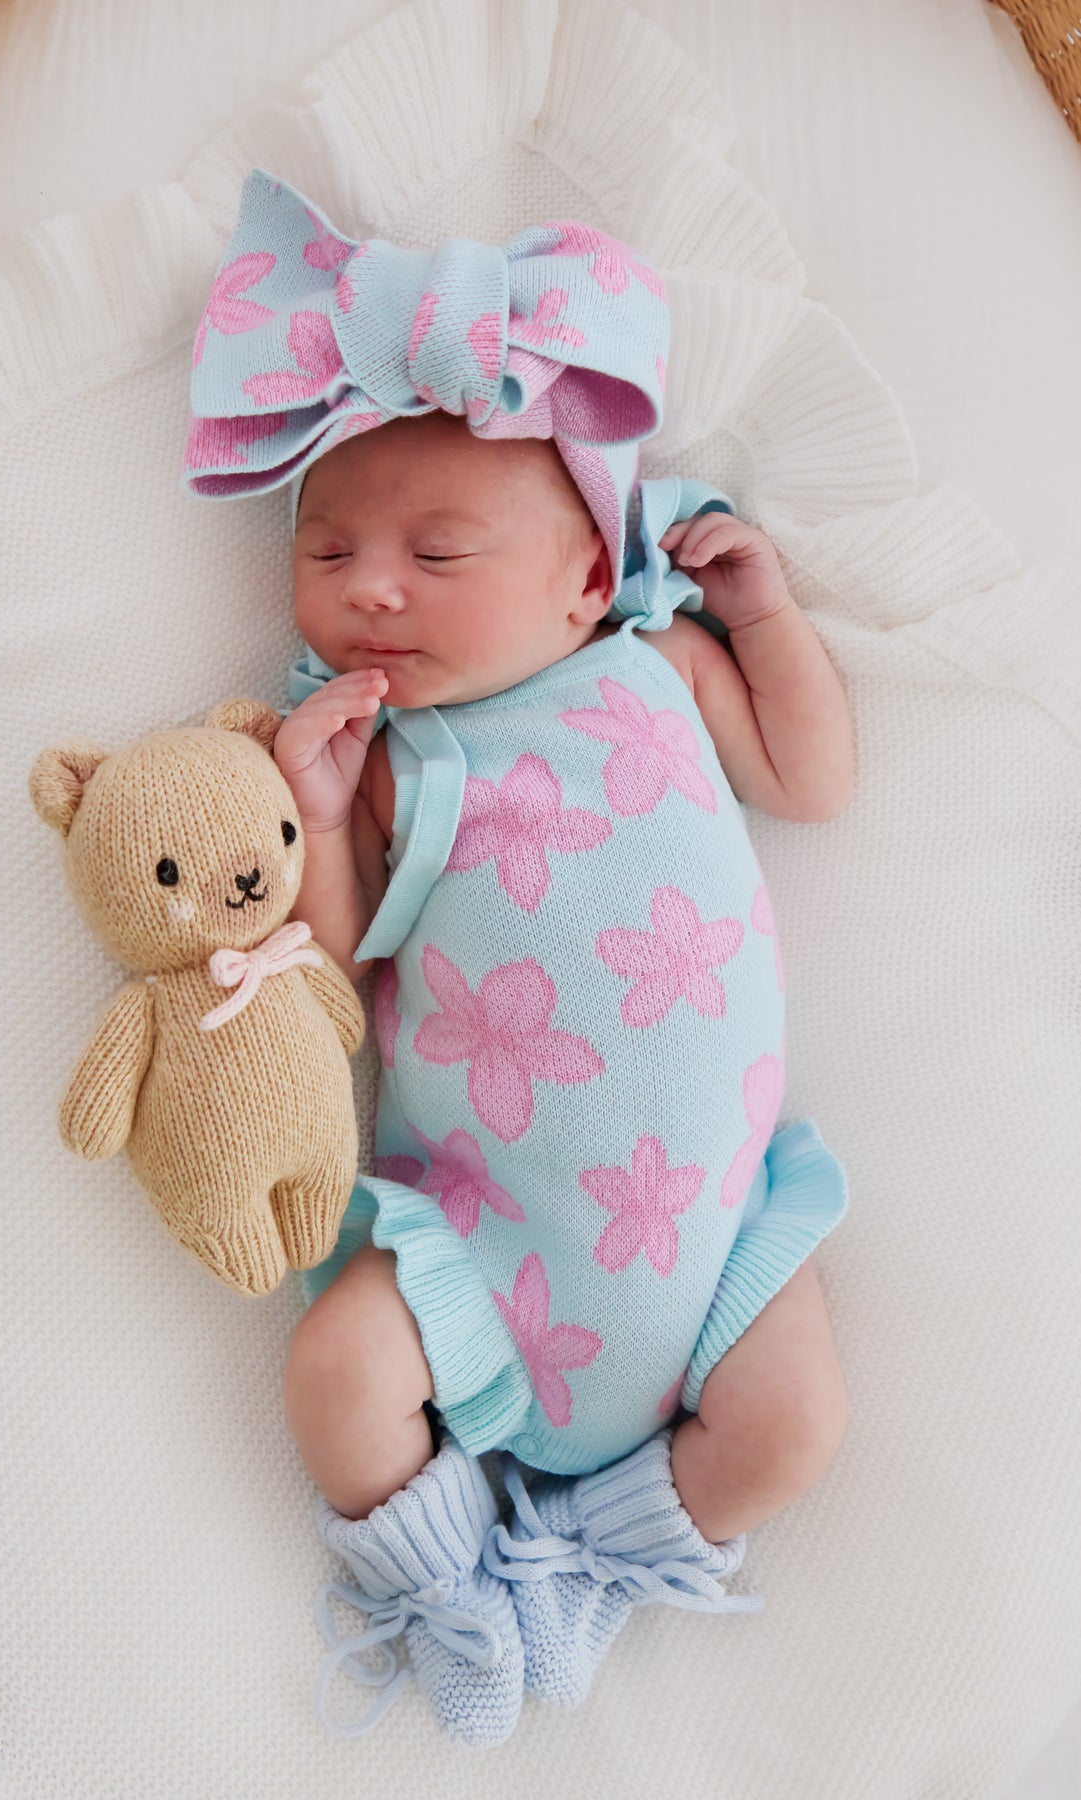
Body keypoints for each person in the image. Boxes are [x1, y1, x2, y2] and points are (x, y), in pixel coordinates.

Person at [185, 174, 851, 1745]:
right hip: (478, 1245)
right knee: (336, 1373)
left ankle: (592, 1565)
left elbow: (811, 780)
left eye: (436, 551)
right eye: (329, 548)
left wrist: (765, 621)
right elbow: (330, 965)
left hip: (705, 1247)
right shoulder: (391, 753)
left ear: (584, 580)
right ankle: (445, 1591)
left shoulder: (658, 662)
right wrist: (318, 811)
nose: (370, 586)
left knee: (793, 1425)